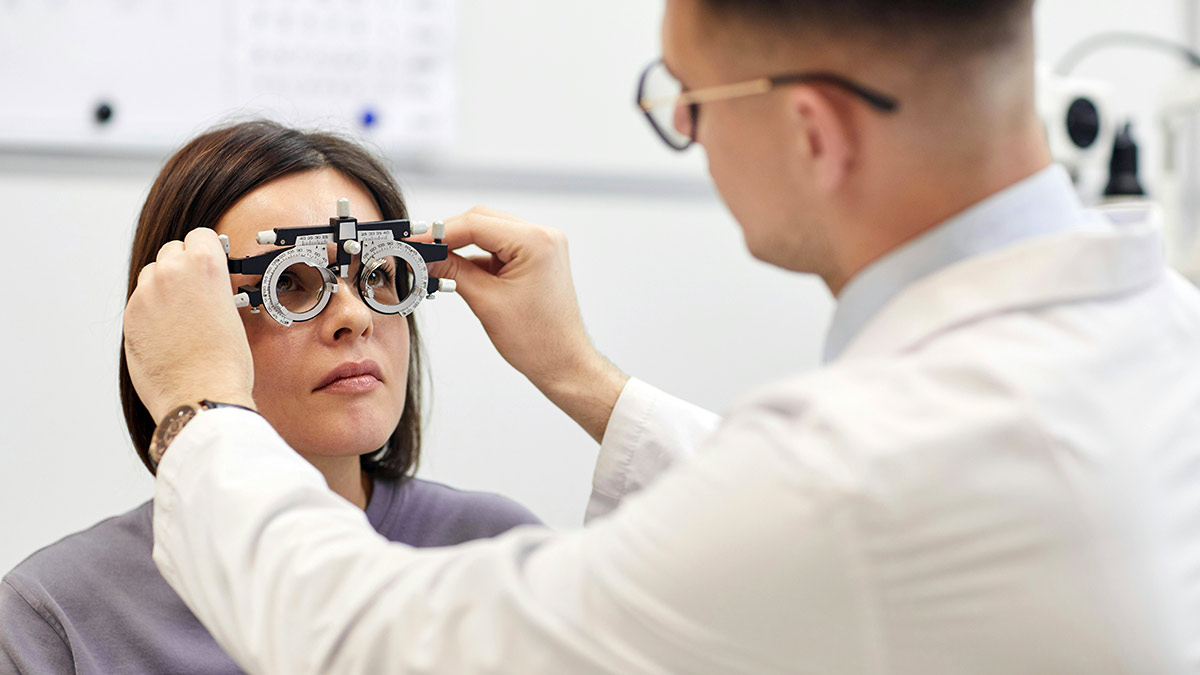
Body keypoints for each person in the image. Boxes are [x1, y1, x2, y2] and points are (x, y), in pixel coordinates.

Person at [125, 0, 1200, 673]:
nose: (686, 131)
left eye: (688, 100)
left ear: (813, 131)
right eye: (305, 282)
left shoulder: (857, 480)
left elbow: (371, 645)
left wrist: (201, 412)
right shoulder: (1163, 331)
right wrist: (582, 376)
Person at [0, 120, 540, 674]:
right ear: (177, 318)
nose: (354, 317)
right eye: (288, 283)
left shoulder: (495, 548)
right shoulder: (60, 614)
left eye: (380, 274)